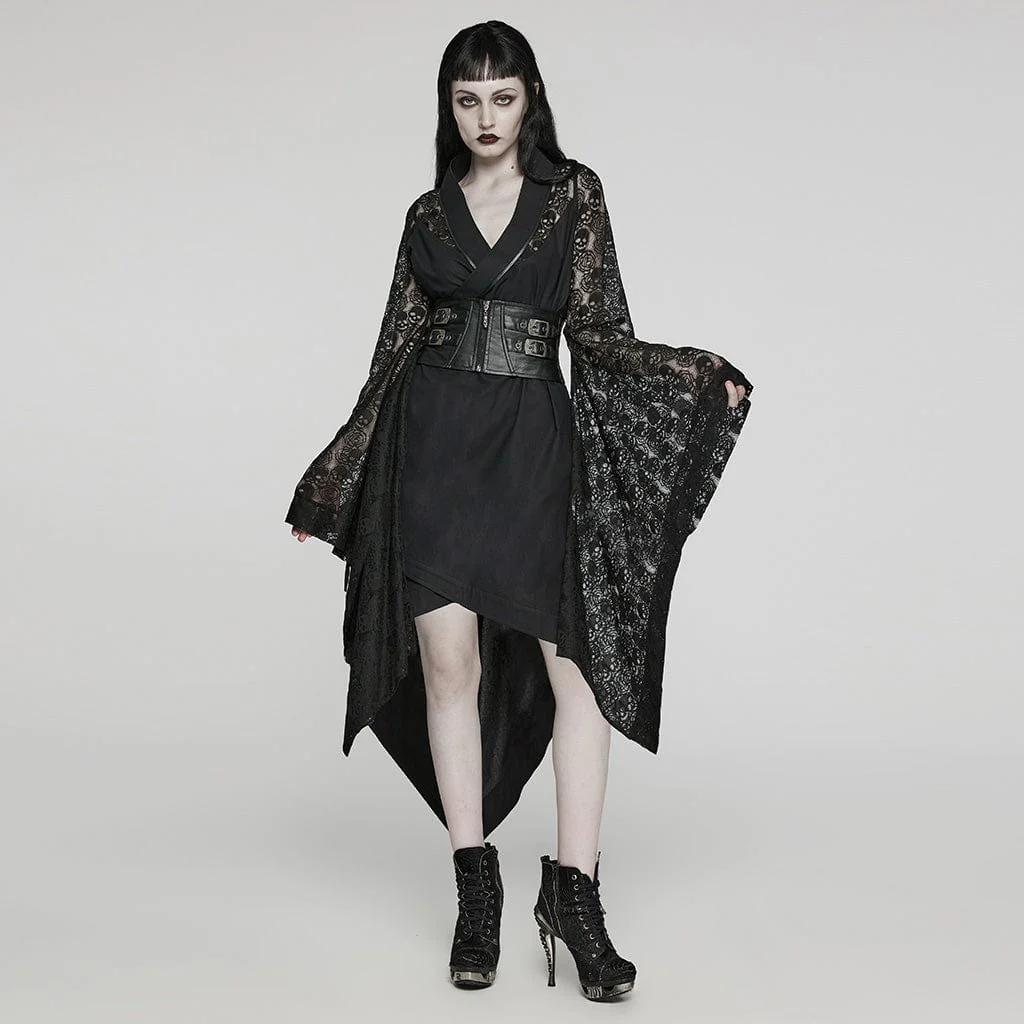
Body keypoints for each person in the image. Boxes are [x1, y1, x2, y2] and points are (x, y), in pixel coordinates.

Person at [285, 20, 753, 1000]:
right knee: (448, 664)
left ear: (530, 98)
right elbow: (391, 353)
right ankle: (476, 888)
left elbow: (601, 333)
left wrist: (691, 371)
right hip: (434, 448)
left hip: (534, 450)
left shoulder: (572, 195)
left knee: (577, 672)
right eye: (468, 99)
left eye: (502, 97)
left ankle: (575, 896)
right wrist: (333, 478)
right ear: (448, 107)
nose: (486, 116)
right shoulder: (426, 214)